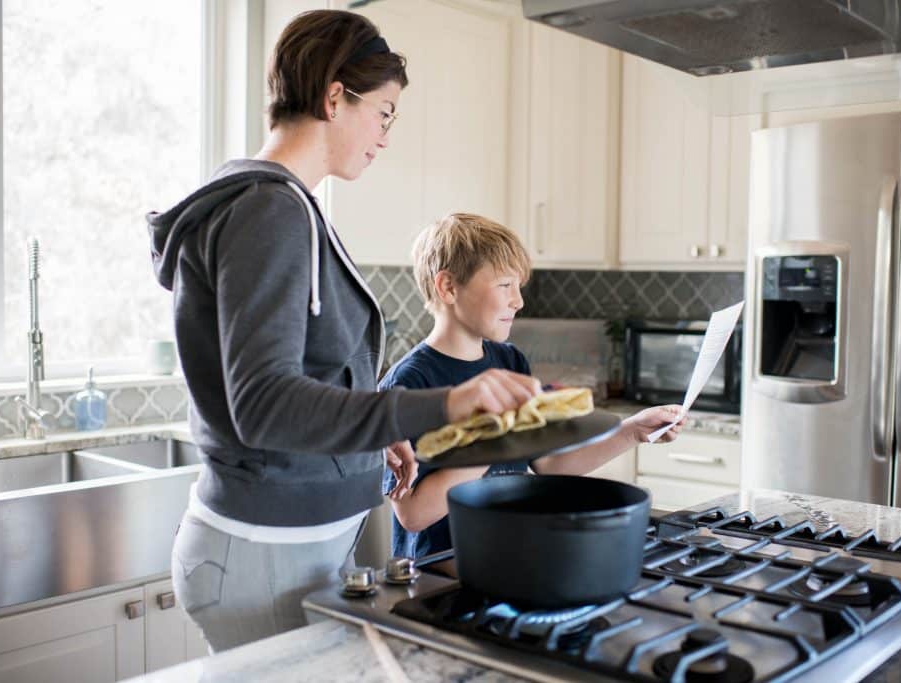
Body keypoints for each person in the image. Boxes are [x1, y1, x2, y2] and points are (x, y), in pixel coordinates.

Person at [146, 12, 539, 652]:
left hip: (286, 549)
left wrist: (366, 440)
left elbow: (302, 379)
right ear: (335, 96)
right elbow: (263, 403)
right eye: (384, 113)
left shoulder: (286, 206)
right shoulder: (270, 210)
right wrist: (442, 404)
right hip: (262, 556)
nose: (386, 136)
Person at [381, 213, 686, 560]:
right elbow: (412, 515)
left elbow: (550, 465)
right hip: (439, 577)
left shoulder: (510, 361)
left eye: (518, 287)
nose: (518, 301)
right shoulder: (408, 383)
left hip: (507, 561)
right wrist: (494, 444)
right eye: (504, 285)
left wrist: (631, 432)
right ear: (448, 287)